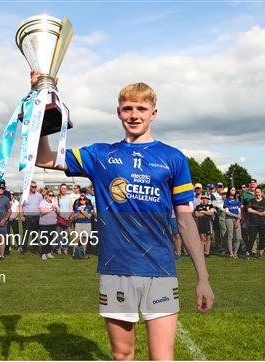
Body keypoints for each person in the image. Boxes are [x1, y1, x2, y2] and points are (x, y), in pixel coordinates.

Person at [34, 76, 214, 360]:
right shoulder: (100, 155)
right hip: (116, 268)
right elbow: (42, 157)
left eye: (141, 109)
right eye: (128, 108)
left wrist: (203, 278)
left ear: (153, 113)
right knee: (122, 355)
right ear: (118, 112)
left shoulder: (174, 158)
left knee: (162, 358)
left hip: (161, 270)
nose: (134, 115)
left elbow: (185, 221)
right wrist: (42, 108)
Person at [246, 187, 265, 260]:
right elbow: (249, 209)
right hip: (253, 223)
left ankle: (260, 254)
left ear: (261, 193)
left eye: (259, 192)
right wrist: (259, 213)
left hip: (263, 223)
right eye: (256, 192)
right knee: (252, 238)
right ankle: (247, 253)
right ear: (254, 193)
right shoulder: (251, 201)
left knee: (262, 239)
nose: (257, 194)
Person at [20, 181, 43, 254]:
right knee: (26, 234)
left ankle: (35, 249)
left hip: (37, 217)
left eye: (35, 187)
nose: (34, 188)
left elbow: (41, 206)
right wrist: (21, 215)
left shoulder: (39, 195)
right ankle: (24, 250)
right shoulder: (24, 195)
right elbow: (20, 206)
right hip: (27, 217)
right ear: (29, 187)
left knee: (35, 234)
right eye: (32, 186)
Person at [39, 190, 59, 260]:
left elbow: (59, 211)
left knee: (50, 239)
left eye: (52, 195)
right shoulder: (42, 202)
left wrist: (57, 207)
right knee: (45, 239)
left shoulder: (54, 203)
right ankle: (43, 253)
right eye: (50, 195)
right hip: (44, 224)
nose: (51, 197)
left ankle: (48, 252)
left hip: (53, 224)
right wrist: (51, 208)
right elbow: (42, 211)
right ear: (46, 195)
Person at [72, 193, 93, 259]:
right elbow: (75, 217)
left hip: (87, 224)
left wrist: (82, 212)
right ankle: (74, 253)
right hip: (79, 224)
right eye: (80, 199)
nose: (82, 200)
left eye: (83, 199)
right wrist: (79, 213)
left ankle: (83, 253)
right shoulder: (76, 207)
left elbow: (89, 217)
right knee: (77, 238)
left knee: (85, 239)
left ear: (86, 200)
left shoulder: (89, 207)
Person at [224, 186, 242, 259]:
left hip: (237, 219)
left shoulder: (237, 200)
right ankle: (231, 253)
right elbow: (227, 212)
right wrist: (237, 216)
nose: (233, 191)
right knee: (230, 236)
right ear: (229, 191)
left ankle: (235, 252)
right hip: (229, 219)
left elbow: (239, 211)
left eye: (234, 190)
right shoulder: (226, 200)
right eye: (232, 190)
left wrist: (238, 220)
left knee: (238, 237)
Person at [56, 183, 73, 255]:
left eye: (65, 188)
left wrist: (68, 216)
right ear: (60, 189)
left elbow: (71, 207)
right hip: (60, 218)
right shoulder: (57, 197)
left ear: (66, 189)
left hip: (67, 218)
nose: (63, 190)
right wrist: (62, 216)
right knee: (59, 234)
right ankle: (59, 248)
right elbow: (57, 208)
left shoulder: (69, 197)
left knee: (67, 234)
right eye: (62, 188)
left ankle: (65, 248)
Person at [211, 182, 227, 253]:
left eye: (221, 186)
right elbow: (214, 204)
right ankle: (219, 245)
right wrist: (222, 203)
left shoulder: (226, 194)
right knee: (217, 231)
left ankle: (226, 245)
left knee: (226, 230)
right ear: (216, 187)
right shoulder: (214, 194)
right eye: (218, 187)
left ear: (223, 187)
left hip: (226, 214)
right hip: (217, 214)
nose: (220, 188)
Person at [7, 191, 21, 255]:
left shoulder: (16, 202)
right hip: (7, 219)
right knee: (7, 234)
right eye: (10, 194)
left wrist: (13, 217)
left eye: (12, 194)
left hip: (14, 219)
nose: (11, 195)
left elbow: (18, 211)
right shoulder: (6, 202)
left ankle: (19, 246)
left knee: (16, 233)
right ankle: (8, 247)